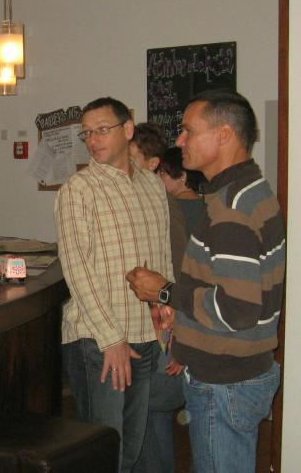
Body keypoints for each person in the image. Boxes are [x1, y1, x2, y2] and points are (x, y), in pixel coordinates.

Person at [127, 89, 284, 473]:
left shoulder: (232, 209)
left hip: (224, 382)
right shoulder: (244, 191)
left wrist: (164, 291)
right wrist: (181, 315)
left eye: (188, 131)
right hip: (235, 374)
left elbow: (238, 309)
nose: (180, 141)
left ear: (224, 134)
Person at [56, 98, 172, 473]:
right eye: (87, 133)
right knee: (104, 451)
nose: (93, 140)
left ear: (128, 130)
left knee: (130, 449)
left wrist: (168, 326)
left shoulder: (153, 185)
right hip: (99, 340)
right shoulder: (79, 189)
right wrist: (111, 339)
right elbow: (77, 270)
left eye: (102, 130)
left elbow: (163, 258)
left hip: (146, 335)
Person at [129, 130, 197, 473]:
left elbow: (180, 273)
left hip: (167, 324)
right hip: (167, 323)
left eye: (132, 160)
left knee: (151, 410)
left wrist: (180, 332)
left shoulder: (167, 207)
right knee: (154, 415)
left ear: (153, 165)